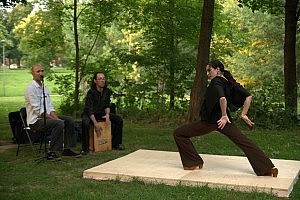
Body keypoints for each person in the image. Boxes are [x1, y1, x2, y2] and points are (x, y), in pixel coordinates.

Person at [173, 60, 278, 177]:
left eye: (209, 70)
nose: (207, 73)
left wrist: (223, 115)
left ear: (217, 69)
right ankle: (267, 168)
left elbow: (222, 98)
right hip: (225, 122)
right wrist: (243, 114)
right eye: (206, 71)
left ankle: (193, 162)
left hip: (212, 121)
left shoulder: (216, 81)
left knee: (179, 133)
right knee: (244, 142)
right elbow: (248, 96)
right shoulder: (229, 81)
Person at [25, 64, 81, 160]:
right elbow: (38, 111)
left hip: (46, 117)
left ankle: (67, 149)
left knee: (69, 120)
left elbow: (49, 107)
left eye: (42, 71)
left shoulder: (45, 88)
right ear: (32, 74)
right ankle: (52, 152)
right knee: (58, 124)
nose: (41, 73)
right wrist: (56, 120)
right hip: (36, 120)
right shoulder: (30, 88)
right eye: (38, 71)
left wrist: (56, 118)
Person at [81, 71, 124, 155]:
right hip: (90, 114)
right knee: (85, 123)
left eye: (103, 79)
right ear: (95, 81)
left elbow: (107, 105)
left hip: (101, 113)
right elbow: (89, 110)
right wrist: (96, 124)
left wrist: (107, 115)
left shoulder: (107, 91)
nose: (102, 81)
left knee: (118, 120)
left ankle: (116, 143)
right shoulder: (91, 93)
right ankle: (85, 148)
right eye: (100, 79)